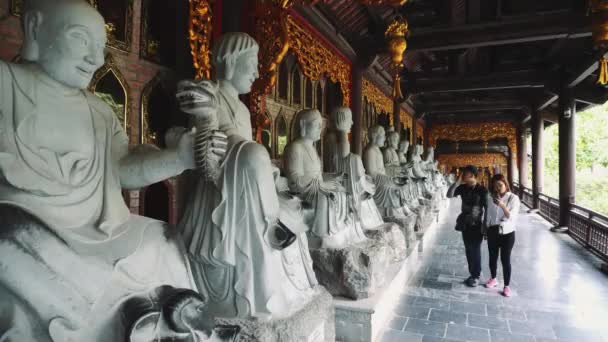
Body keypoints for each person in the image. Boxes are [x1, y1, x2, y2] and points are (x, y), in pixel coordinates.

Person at [447, 165, 488, 287]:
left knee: (475, 249)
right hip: (465, 223)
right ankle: (472, 274)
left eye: (465, 173)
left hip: (477, 224)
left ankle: (476, 276)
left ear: (472, 175)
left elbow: (487, 209)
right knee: (468, 250)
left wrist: (485, 226)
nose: (463, 175)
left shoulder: (482, 190)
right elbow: (449, 195)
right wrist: (457, 182)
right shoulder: (463, 188)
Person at [483, 174, 520, 297]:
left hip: (507, 233)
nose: (497, 188)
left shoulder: (513, 198)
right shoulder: (490, 198)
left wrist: (502, 205)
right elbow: (488, 215)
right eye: (495, 186)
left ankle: (506, 286)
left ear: (506, 185)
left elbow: (512, 217)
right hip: (493, 231)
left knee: (505, 259)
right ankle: (493, 278)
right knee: (492, 257)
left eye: (500, 185)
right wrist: (485, 229)